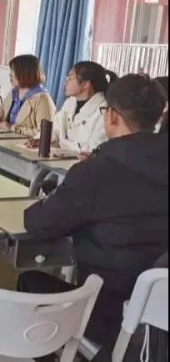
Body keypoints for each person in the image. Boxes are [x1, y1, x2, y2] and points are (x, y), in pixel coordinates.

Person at [19, 74, 168, 355]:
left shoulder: (96, 172)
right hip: (159, 322)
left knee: (31, 281)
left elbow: (39, 223)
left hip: (112, 314)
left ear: (111, 115)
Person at [28, 62, 117, 155]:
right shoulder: (70, 102)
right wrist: (40, 140)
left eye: (70, 78)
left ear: (86, 84)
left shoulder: (104, 110)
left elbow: (93, 148)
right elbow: (56, 129)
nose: (65, 83)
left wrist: (64, 143)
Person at [0, 54, 56, 137]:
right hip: (5, 139)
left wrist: (13, 128)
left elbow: (44, 134)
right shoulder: (13, 93)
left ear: (25, 73)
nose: (10, 75)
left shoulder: (43, 99)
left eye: (13, 71)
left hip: (24, 143)